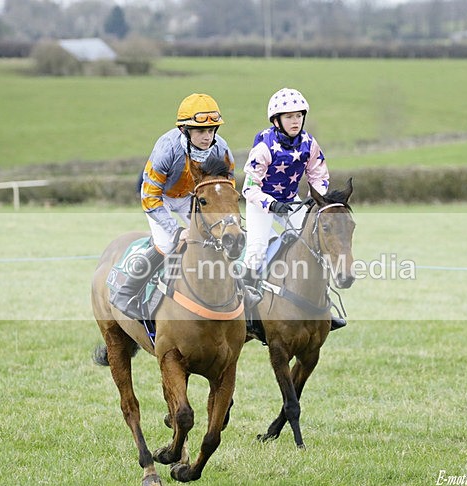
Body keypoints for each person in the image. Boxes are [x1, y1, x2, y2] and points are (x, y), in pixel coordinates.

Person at [111, 93, 259, 317]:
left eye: (211, 130)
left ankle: (241, 289)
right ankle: (128, 292)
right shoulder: (166, 149)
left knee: (217, 239)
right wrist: (175, 229)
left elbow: (226, 189)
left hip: (193, 199)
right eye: (200, 131)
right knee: (168, 244)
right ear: (184, 130)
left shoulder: (222, 149)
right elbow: (150, 197)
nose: (207, 137)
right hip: (160, 198)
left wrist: (229, 221)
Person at [241, 87, 346, 330]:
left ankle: (324, 304)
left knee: (314, 244)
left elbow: (319, 175)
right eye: (289, 117)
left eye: (299, 116)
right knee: (256, 250)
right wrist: (271, 203)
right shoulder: (264, 147)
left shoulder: (309, 143)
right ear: (276, 121)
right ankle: (246, 312)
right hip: (261, 205)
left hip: (292, 203)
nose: (295, 121)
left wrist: (313, 198)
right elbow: (249, 188)